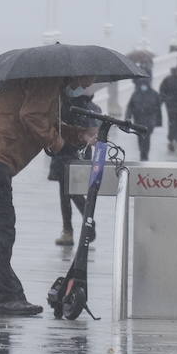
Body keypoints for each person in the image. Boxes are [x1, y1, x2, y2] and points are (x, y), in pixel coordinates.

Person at [0, 75, 90, 316]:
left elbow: (46, 120)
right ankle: (1, 296)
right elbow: (31, 116)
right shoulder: (48, 81)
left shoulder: (50, 84)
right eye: (89, 78)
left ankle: (3, 293)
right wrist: (59, 143)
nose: (89, 84)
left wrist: (75, 134)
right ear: (74, 71)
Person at [48, 85, 100, 246]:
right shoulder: (92, 108)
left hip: (65, 153)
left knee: (67, 194)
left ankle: (70, 230)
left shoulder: (65, 107)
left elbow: (57, 127)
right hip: (81, 154)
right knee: (72, 192)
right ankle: (83, 223)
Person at [125, 78, 162, 161]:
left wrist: (158, 121)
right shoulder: (136, 94)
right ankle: (142, 152)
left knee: (146, 137)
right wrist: (128, 117)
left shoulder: (154, 94)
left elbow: (158, 109)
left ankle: (144, 154)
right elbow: (130, 107)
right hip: (138, 120)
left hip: (149, 121)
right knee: (140, 138)